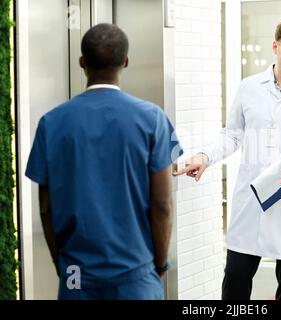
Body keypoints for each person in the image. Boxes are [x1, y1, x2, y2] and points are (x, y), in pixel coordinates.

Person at [174, 19, 281, 300]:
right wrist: (205, 157)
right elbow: (232, 135)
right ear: (275, 46)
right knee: (236, 278)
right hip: (251, 201)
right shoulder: (249, 87)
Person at [25, 23, 183, 300]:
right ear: (126, 62)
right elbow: (162, 205)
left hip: (76, 277)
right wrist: (157, 265)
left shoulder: (50, 123)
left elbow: (46, 209)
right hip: (137, 275)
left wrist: (64, 268)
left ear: (82, 62)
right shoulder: (153, 119)